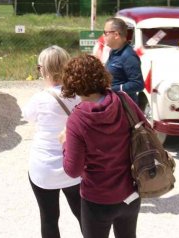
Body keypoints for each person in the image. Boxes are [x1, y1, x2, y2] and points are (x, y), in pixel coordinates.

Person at [61, 54, 147, 238]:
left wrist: (65, 144)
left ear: (72, 83)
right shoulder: (124, 100)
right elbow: (147, 132)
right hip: (130, 192)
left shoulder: (78, 119)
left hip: (98, 199)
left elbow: (73, 170)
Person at [22, 46, 81, 238]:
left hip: (44, 166)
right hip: (74, 165)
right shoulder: (80, 95)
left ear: (43, 69)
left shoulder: (40, 98)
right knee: (83, 215)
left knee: (48, 218)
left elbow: (27, 116)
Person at [103, 17, 144, 104]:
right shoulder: (113, 51)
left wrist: (113, 89)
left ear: (116, 35)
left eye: (106, 33)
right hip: (112, 104)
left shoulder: (129, 56)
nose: (104, 36)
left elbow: (138, 84)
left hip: (124, 108)